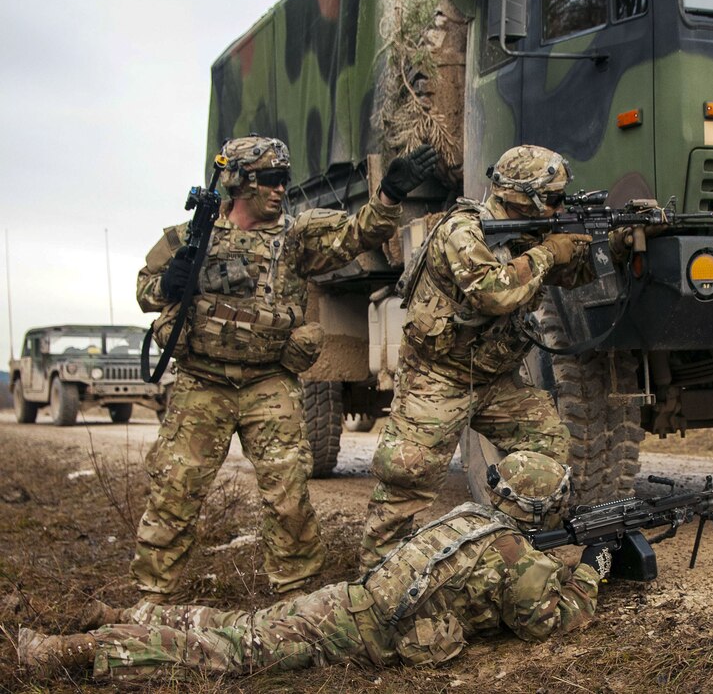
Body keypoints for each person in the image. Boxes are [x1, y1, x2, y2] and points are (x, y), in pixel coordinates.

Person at [131, 135, 438, 601]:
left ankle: (297, 602)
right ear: (239, 182)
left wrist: (389, 196)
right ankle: (153, 596)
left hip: (268, 382)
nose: (280, 190)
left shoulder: (296, 237)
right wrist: (169, 283)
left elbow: (357, 233)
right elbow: (145, 290)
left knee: (288, 495)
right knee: (175, 492)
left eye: (283, 181)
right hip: (202, 383)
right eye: (271, 180)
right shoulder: (189, 237)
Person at [17, 451, 614, 681]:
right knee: (230, 651)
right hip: (359, 625)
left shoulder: (469, 518)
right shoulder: (515, 555)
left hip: (350, 603)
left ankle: (126, 612)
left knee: (239, 625)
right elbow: (554, 620)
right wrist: (592, 566)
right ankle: (67, 649)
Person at [358, 144, 628, 569]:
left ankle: (506, 553)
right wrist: (547, 252)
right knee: (406, 480)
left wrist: (619, 241)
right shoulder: (464, 231)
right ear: (525, 196)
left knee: (548, 450)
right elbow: (495, 292)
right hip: (439, 377)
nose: (559, 208)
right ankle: (378, 585)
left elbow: (573, 271)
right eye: (554, 199)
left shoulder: (529, 231)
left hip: (495, 381)